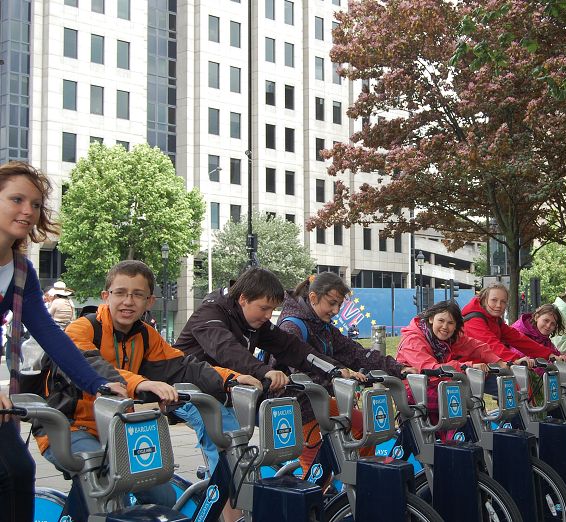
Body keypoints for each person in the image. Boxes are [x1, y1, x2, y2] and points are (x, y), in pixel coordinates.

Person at [43, 260, 262, 510]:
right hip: (69, 429)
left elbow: (183, 365)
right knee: (110, 491)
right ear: (106, 296)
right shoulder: (82, 328)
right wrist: (142, 384)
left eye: (138, 295)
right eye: (120, 293)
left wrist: (229, 379)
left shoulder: (147, 335)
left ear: (150, 302)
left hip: (116, 429)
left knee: (163, 497)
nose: (128, 301)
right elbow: (89, 365)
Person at [0, 161, 126, 520]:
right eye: (17, 199)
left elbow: (50, 334)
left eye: (36, 204)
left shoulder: (20, 271)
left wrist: (97, 383)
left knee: (18, 470)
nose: (28, 211)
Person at [173, 268, 365, 474]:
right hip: (191, 392)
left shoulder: (253, 320)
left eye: (272, 309)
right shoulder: (209, 314)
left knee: (278, 428)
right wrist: (264, 371)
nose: (268, 316)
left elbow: (291, 347)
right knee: (231, 449)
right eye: (264, 308)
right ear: (243, 299)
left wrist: (333, 369)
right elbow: (226, 350)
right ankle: (225, 489)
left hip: (226, 391)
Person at [273, 272, 413, 472]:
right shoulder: (291, 326)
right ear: (313, 297)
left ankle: (360, 477)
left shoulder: (322, 326)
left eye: (339, 304)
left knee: (366, 428)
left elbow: (355, 353)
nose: (336, 311)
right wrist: (337, 377)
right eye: (332, 303)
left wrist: (398, 368)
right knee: (317, 470)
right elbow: (299, 373)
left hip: (318, 402)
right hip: (293, 407)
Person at [396, 301, 508, 420]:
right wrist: (467, 366)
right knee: (460, 401)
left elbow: (477, 347)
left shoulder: (450, 338)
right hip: (413, 391)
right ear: (431, 319)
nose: (445, 327)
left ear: (456, 326)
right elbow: (429, 368)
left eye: (450, 323)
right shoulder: (413, 340)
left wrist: (499, 362)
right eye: (441, 321)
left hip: (438, 385)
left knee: (473, 397)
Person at [461, 283, 557, 365]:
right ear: (483, 300)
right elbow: (491, 344)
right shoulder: (474, 319)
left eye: (503, 302)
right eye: (494, 300)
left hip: (486, 368)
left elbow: (518, 338)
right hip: (469, 371)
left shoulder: (494, 320)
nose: (499, 305)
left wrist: (549, 354)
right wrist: (514, 359)